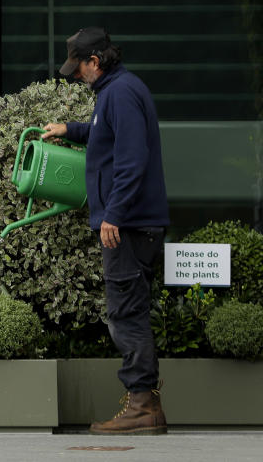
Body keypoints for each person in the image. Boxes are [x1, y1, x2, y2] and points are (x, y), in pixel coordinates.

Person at [42, 26, 170, 435]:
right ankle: (143, 404)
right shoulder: (116, 93)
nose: (76, 76)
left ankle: (142, 407)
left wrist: (113, 214)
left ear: (94, 61)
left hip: (128, 226)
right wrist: (72, 129)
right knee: (128, 311)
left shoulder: (119, 93)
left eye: (78, 68)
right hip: (132, 224)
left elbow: (132, 159)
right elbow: (109, 137)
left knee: (126, 314)